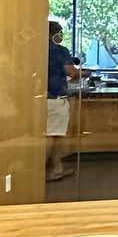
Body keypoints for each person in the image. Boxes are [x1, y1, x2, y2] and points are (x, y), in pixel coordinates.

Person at [45, 19, 80, 181]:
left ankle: (49, 167)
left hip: (39, 99)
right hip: (56, 99)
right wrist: (83, 73)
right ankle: (53, 169)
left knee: (44, 135)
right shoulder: (60, 51)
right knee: (56, 136)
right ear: (56, 35)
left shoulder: (36, 50)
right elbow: (71, 72)